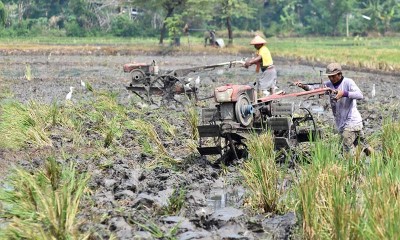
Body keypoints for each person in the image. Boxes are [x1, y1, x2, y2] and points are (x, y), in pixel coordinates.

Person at [294, 63, 373, 156]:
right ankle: (377, 159)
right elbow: (315, 89)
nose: (331, 79)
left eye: (333, 76)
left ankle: (352, 167)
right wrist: (303, 86)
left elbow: (359, 95)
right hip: (344, 123)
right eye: (329, 77)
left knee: (345, 147)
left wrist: (343, 93)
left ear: (339, 74)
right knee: (363, 145)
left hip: (351, 122)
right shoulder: (328, 85)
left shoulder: (348, 82)